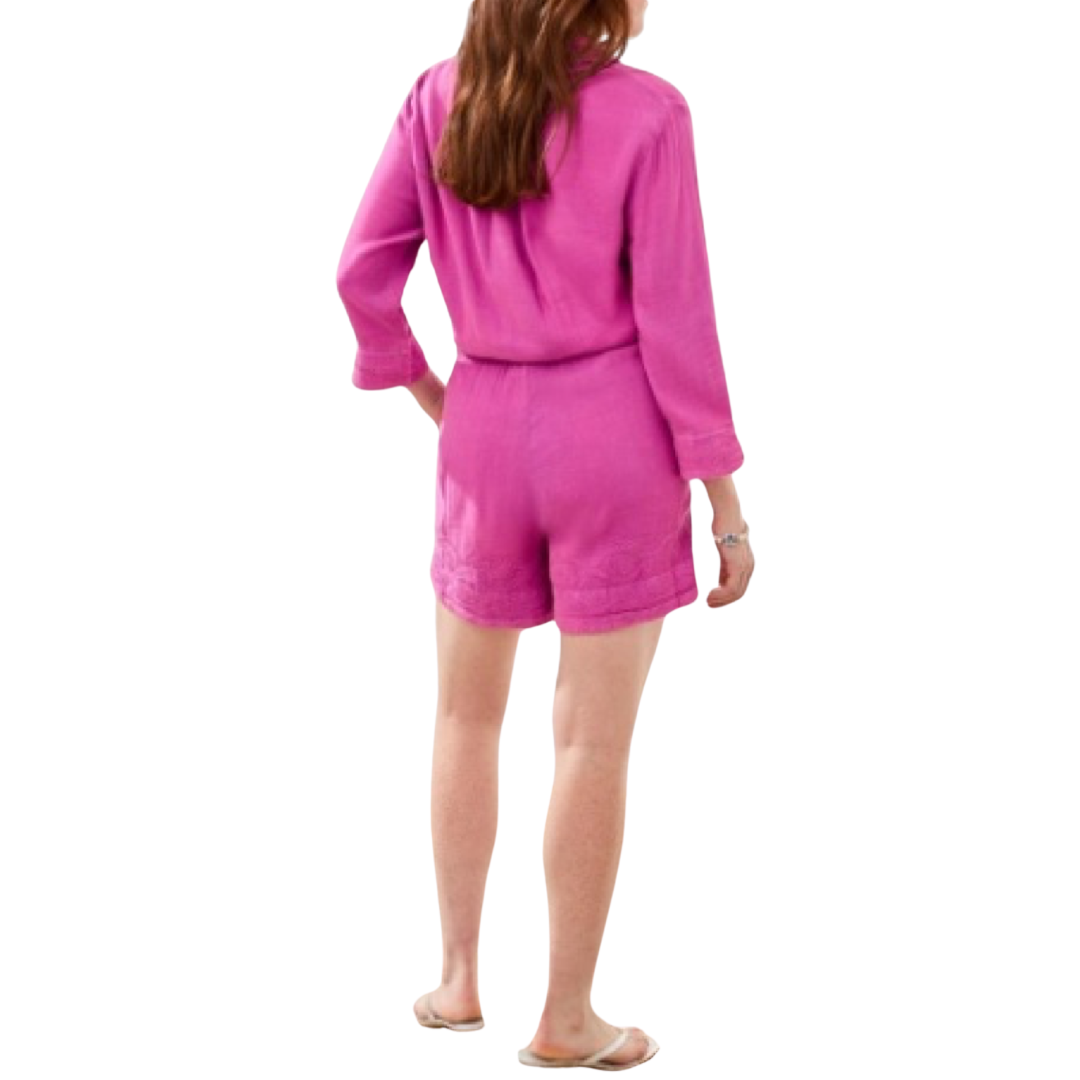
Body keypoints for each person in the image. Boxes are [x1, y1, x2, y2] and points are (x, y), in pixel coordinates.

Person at [335, 0, 754, 1070]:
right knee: (590, 742)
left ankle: (457, 981)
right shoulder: (649, 114)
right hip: (613, 435)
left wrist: (432, 392)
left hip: (482, 424)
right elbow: (677, 317)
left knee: (463, 716)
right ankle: (567, 1018)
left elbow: (359, 271)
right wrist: (724, 499)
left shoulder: (438, 96)